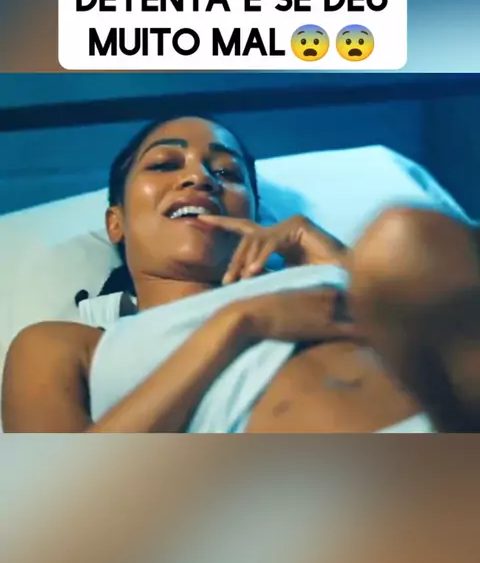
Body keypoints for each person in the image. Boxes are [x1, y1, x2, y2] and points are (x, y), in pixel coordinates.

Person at [2, 115, 477, 433]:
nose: (201, 178)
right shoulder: (70, 344)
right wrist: (239, 325)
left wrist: (326, 251)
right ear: (115, 223)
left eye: (227, 174)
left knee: (410, 239)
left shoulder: (320, 275)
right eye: (165, 164)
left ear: (252, 210)